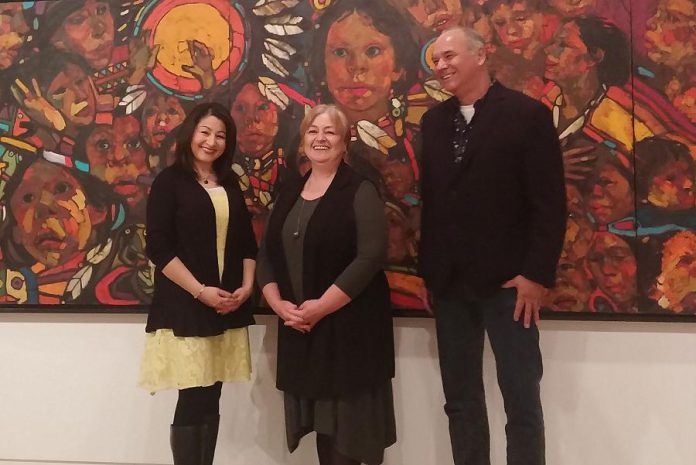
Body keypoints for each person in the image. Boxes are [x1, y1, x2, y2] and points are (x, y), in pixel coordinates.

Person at [419, 27, 566, 464]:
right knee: (460, 402)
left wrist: (537, 275)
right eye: (435, 61)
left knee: (522, 401)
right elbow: (434, 203)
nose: (441, 66)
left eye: (449, 56)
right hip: (449, 286)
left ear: (480, 56)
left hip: (511, 287)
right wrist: (431, 272)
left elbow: (550, 205)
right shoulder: (432, 122)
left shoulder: (527, 115)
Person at [257, 104, 395, 465]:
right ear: (302, 141)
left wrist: (320, 307)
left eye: (330, 132)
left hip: (350, 332)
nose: (320, 138)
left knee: (350, 435)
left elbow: (369, 258)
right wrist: (277, 304)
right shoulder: (289, 191)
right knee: (324, 430)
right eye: (313, 131)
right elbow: (267, 254)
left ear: (344, 142)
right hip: (304, 331)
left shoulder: (359, 189)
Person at [138, 102, 257, 465]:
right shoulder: (169, 182)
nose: (212, 141)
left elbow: (246, 242)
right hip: (187, 304)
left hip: (226, 304)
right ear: (190, 132)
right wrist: (200, 291)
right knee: (193, 395)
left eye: (221, 135)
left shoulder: (230, 182)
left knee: (212, 395)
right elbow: (158, 247)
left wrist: (248, 286)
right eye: (205, 132)